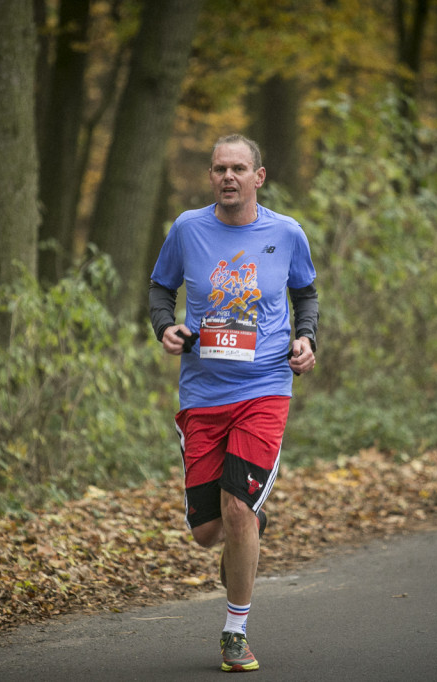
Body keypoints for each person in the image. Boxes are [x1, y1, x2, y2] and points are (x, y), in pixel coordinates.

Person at [148, 134, 318, 672]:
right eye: (220, 168)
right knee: (207, 532)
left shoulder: (287, 234)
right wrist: (165, 328)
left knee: (238, 508)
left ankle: (234, 631)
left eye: (239, 168)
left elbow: (306, 294)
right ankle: (245, 532)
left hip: (265, 388)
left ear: (258, 177)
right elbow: (159, 290)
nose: (229, 177)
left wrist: (307, 338)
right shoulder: (187, 229)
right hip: (202, 392)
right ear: (211, 175)